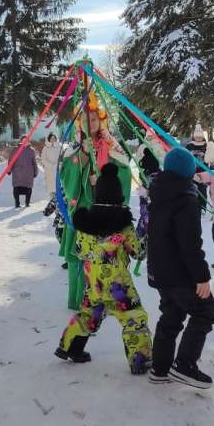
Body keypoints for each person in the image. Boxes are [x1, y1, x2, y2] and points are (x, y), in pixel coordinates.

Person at [55, 164, 153, 374]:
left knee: (89, 313)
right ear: (119, 196)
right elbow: (138, 253)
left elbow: (80, 251)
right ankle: (139, 359)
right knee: (133, 317)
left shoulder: (86, 225)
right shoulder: (124, 226)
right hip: (120, 287)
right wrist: (144, 235)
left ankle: (70, 347)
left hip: (93, 284)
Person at [146, 147, 214, 389]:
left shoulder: (158, 193)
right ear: (188, 172)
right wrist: (202, 276)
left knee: (172, 315)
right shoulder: (186, 199)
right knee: (205, 312)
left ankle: (160, 367)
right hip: (179, 273)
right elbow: (190, 244)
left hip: (160, 271)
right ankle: (185, 364)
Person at [59, 92, 132, 310]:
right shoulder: (74, 148)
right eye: (85, 119)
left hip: (104, 215)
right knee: (79, 258)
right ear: (79, 122)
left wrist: (102, 180)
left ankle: (102, 300)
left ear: (100, 121)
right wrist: (80, 161)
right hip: (82, 214)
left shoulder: (112, 147)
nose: (89, 123)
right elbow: (65, 179)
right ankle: (79, 300)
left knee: (103, 259)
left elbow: (125, 175)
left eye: (93, 119)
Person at [9, 136, 38, 208]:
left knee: (28, 189)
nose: (25, 142)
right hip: (17, 172)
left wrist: (35, 171)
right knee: (16, 188)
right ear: (20, 141)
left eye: (26, 140)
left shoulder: (31, 151)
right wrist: (9, 169)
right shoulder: (15, 150)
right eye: (23, 140)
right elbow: (11, 160)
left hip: (28, 173)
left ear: (29, 142)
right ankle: (17, 203)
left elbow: (34, 162)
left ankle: (27, 203)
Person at [40, 133, 62, 198]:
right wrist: (51, 165)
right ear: (49, 139)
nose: (53, 139)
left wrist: (59, 164)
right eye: (51, 138)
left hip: (58, 170)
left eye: (54, 138)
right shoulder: (46, 148)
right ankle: (52, 201)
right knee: (51, 188)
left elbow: (62, 157)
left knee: (59, 187)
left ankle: (59, 202)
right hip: (49, 171)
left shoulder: (59, 147)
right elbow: (43, 159)